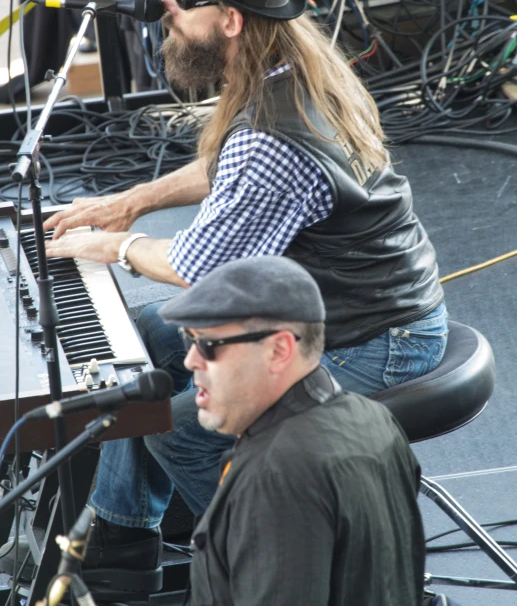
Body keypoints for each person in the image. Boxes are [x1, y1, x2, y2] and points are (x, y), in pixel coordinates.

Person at [42, 0, 447, 585]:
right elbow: (228, 167)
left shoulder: (273, 132)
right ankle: (120, 544)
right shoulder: (289, 67)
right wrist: (127, 201)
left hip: (379, 335)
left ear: (230, 19)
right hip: (364, 312)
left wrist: (111, 244)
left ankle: (243, 553)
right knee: (139, 343)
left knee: (169, 424)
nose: (166, 7)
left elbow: (199, 267)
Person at [157, 255, 427, 606]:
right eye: (188, 339)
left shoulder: (277, 475)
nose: (192, 359)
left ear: (279, 350)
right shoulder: (373, 418)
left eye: (208, 344)